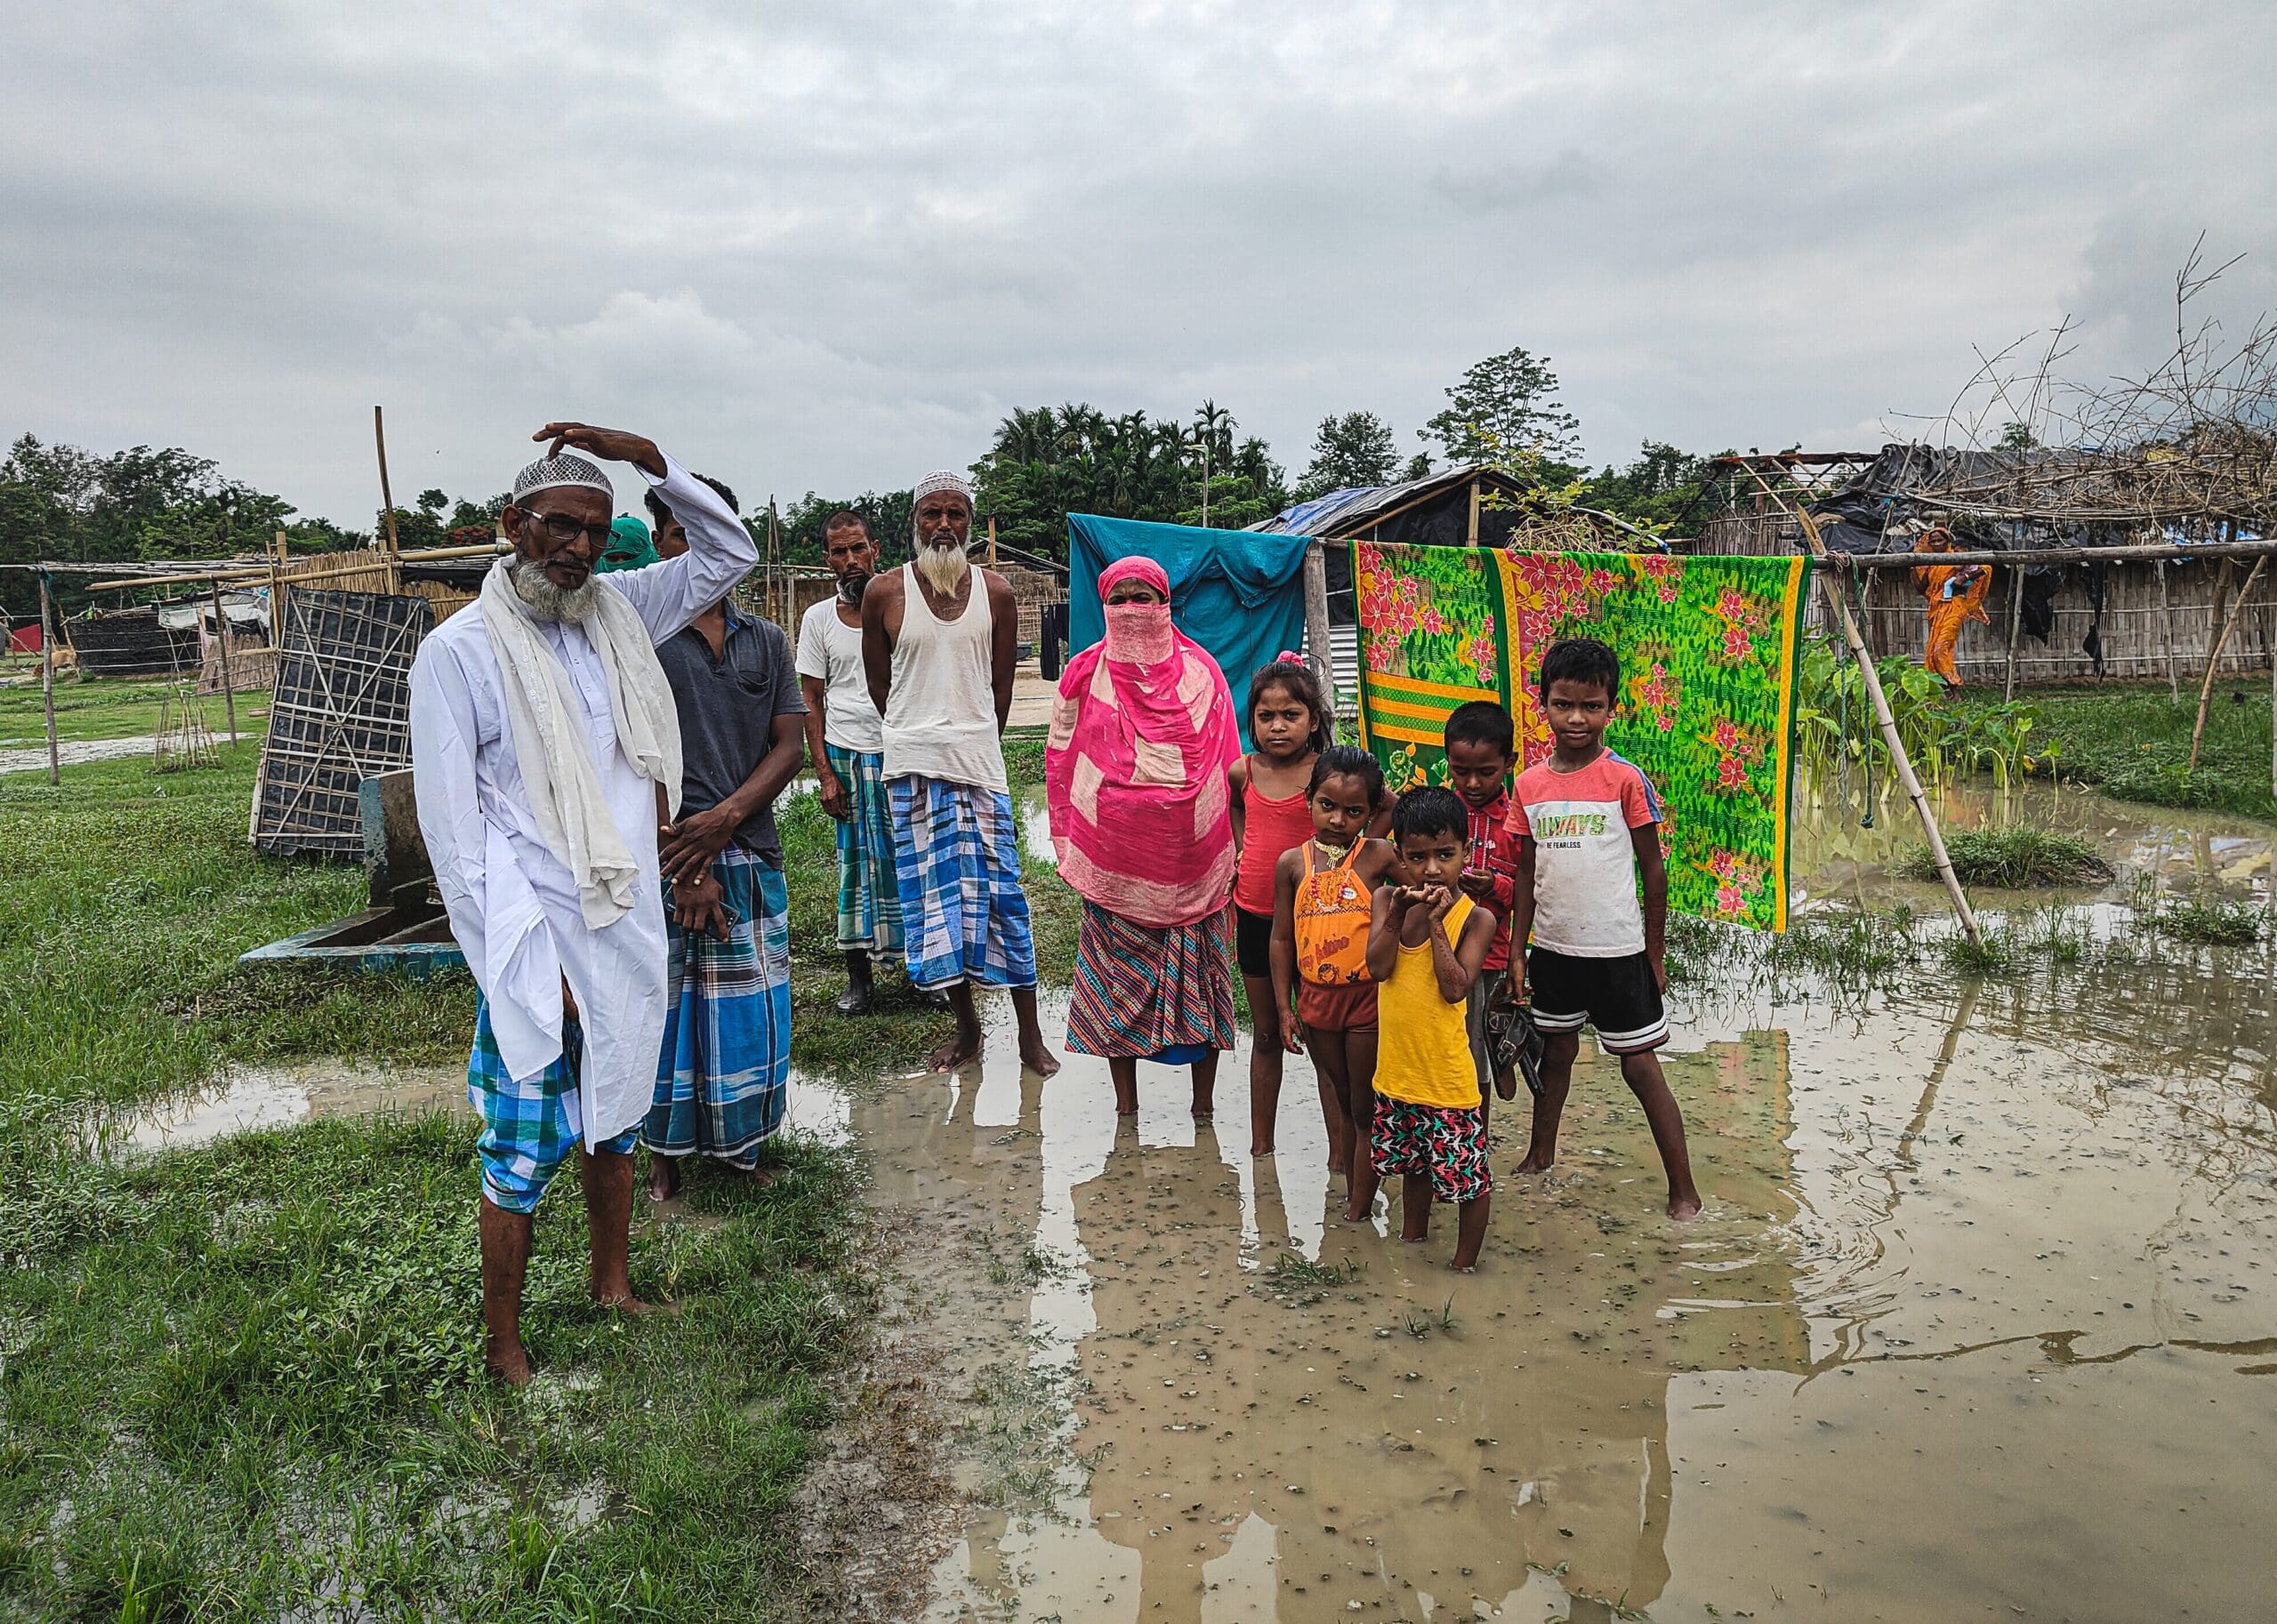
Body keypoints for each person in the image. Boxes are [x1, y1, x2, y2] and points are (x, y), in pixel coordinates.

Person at [409, 422, 756, 1384]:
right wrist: (528, 958)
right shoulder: (459, 652)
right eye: (559, 527)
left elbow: (731, 551)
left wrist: (650, 458)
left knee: (614, 1117)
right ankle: (505, 1342)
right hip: (534, 932)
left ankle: (612, 1282)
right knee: (522, 1141)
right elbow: (456, 836)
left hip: (624, 920)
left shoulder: (617, 612)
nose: (578, 549)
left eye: (596, 533)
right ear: (512, 524)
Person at [640, 470, 805, 1202]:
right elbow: (637, 754)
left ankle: (743, 1148)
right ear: (660, 544)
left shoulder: (766, 640)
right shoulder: (641, 639)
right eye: (681, 535)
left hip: (749, 848)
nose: (696, 552)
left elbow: (790, 747)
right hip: (669, 856)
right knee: (668, 1011)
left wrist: (726, 821)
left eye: (710, 537)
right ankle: (662, 1157)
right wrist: (686, 860)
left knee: (751, 1010)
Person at [862, 470, 1059, 1076]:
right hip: (912, 770)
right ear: (913, 522)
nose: (944, 525)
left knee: (1003, 899)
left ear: (969, 524)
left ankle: (1029, 1037)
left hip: (978, 768)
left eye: (956, 515)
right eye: (932, 514)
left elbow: (1001, 688)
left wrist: (973, 743)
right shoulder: (884, 593)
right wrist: (915, 732)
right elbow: (880, 685)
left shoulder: (996, 591)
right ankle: (968, 1030)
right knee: (935, 909)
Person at [1505, 636, 1702, 1220]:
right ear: (1542, 704)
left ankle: (1683, 1190)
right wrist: (1519, 952)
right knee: (1554, 1057)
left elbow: (1653, 870)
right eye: (1564, 704)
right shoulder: (1529, 785)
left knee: (1641, 1066)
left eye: (1591, 706)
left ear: (1611, 709)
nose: (1576, 718)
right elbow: (1524, 871)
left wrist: (1655, 953)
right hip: (1554, 953)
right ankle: (1540, 1155)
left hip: (1617, 953)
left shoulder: (1624, 780)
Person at [1047, 557, 1243, 1115]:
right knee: (1116, 992)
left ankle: (1202, 1107)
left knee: (1200, 988)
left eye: (1145, 598)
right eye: (1121, 599)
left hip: (1192, 865)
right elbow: (1065, 760)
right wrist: (1084, 836)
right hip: (1114, 867)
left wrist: (1228, 848)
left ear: (1166, 604)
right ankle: (1125, 1107)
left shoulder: (1202, 673)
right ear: (1105, 606)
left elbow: (1222, 768)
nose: (1133, 610)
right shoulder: (1084, 674)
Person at [1352, 786, 1499, 1270]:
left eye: (1445, 855)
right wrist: (1397, 913)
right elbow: (1377, 967)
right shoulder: (1385, 901)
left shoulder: (1476, 918)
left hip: (1449, 1080)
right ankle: (1413, 1244)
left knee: (1468, 1180)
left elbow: (1456, 988)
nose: (1432, 870)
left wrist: (1437, 925)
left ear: (1464, 853)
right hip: (1397, 1075)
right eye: (1418, 857)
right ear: (1401, 856)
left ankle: (1464, 1267)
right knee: (1412, 1170)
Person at [797, 511, 931, 1015]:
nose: (850, 561)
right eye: (839, 552)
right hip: (847, 756)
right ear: (827, 559)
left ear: (876, 549)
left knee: (913, 861)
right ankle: (859, 979)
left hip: (903, 754)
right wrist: (825, 775)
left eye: (858, 549)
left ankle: (927, 972)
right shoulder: (818, 620)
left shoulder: (903, 608)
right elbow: (811, 698)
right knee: (855, 868)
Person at [1269, 745, 1399, 1213]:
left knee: (1363, 1103)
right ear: (1309, 799)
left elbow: (1422, 895)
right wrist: (1285, 1008)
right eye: (1327, 805)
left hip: (1367, 999)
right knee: (1341, 1095)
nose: (1339, 820)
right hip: (1316, 1002)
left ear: (1371, 810)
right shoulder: (1292, 864)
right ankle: (1352, 1186)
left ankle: (1359, 1207)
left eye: (1354, 810)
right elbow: (1282, 940)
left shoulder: (1379, 856)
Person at [1227, 657, 1336, 1158]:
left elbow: (1384, 806)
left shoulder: (1328, 774)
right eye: (1266, 716)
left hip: (1319, 924)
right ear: (1253, 722)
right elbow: (1235, 807)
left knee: (1324, 1040)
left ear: (1313, 720)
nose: (1277, 726)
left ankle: (1341, 1152)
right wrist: (1241, 848)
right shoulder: (1243, 771)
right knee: (1267, 1035)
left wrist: (1351, 861)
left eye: (1290, 715)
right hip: (1255, 918)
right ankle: (1260, 1148)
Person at [1443, 701, 1522, 1137]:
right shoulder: (1439, 813)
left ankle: (1474, 1144)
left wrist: (1493, 887)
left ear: (1508, 764)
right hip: (1438, 954)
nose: (1472, 783)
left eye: (1486, 772)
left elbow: (1529, 892)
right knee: (1441, 1050)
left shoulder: (1515, 823)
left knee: (1475, 1056)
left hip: (1487, 961)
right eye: (1460, 771)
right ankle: (1441, 1138)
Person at [1911, 527, 1991, 689]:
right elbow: (1921, 588)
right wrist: (1912, 567)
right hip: (1937, 609)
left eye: (1940, 540)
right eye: (1933, 541)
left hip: (1954, 606)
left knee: (1940, 649)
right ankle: (1943, 689)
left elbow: (1986, 567)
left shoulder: (1957, 559)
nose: (1936, 544)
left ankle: (1954, 685)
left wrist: (1966, 577)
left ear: (1947, 542)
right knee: (1934, 651)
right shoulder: (1932, 565)